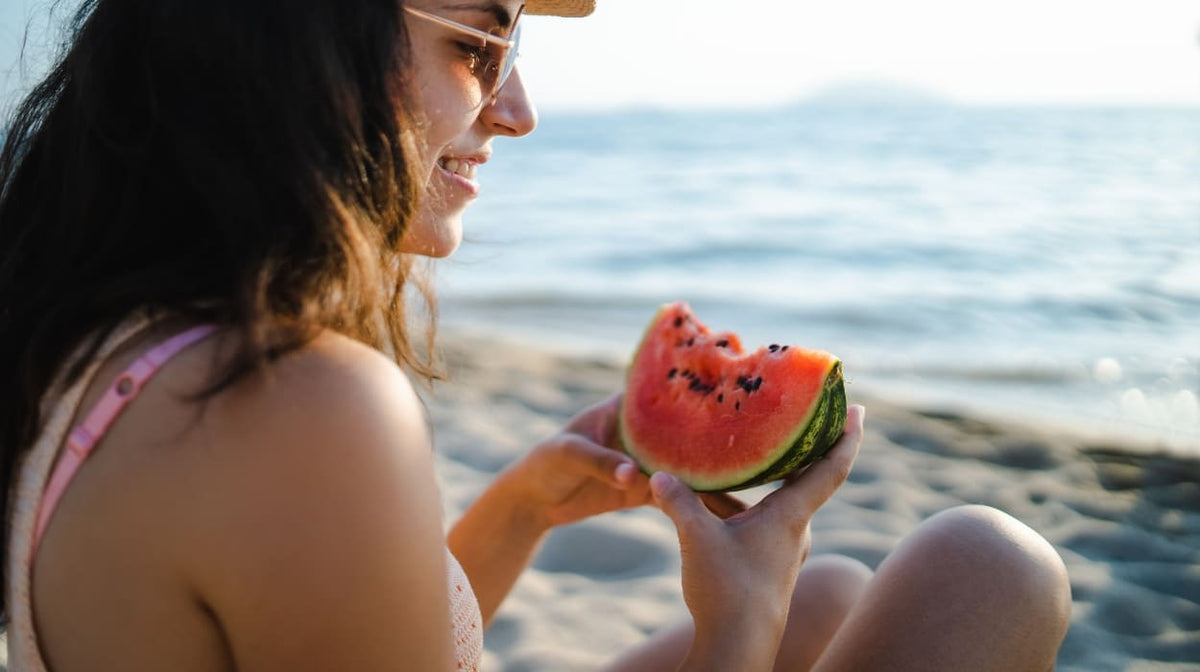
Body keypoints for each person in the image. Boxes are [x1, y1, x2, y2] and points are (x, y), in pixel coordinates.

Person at [0, 0, 1072, 669]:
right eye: (480, 40)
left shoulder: (104, 337)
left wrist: (517, 511)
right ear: (299, 39)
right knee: (991, 566)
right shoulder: (294, 405)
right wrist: (736, 629)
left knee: (835, 595)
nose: (518, 109)